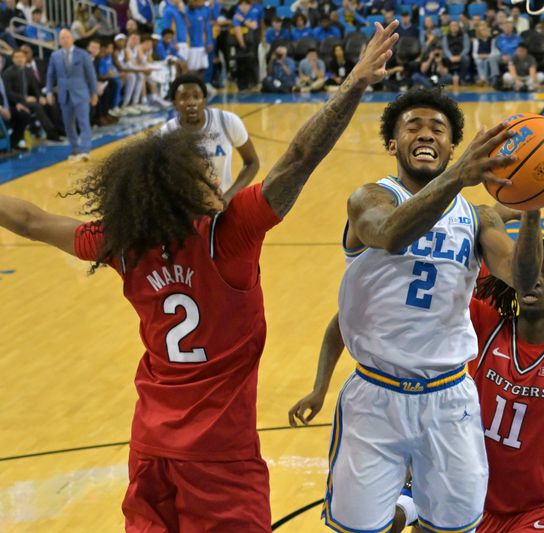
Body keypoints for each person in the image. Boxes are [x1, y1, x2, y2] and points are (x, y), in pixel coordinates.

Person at [0, 20, 399, 532]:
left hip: (150, 449)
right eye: (205, 174)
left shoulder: (123, 242)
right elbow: (300, 156)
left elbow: (32, 221)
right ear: (189, 186)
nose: (215, 177)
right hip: (219, 457)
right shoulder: (228, 236)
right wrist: (356, 82)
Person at [292, 221, 544, 533]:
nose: (535, 277)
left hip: (540, 512)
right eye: (530, 268)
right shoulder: (480, 322)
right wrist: (321, 385)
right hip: (464, 499)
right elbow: (375, 310)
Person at [308, 87, 525, 533]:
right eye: (413, 126)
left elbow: (522, 278)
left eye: (438, 129)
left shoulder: (479, 216)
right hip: (376, 396)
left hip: (449, 399)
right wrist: (458, 177)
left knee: (448, 528)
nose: (426, 134)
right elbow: (389, 233)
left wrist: (533, 208)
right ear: (393, 144)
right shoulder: (370, 198)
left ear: (451, 146)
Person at [161, 74, 257, 201]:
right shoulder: (166, 133)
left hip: (222, 205)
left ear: (205, 100)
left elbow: (252, 162)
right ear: (175, 104)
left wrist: (228, 196)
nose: (191, 102)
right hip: (185, 207)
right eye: (184, 98)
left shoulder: (227, 121)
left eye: (196, 96)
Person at [46, 29, 97, 162]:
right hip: (64, 94)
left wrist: (94, 93)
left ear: (72, 38)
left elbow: (91, 75)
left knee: (83, 122)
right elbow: (50, 75)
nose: (65, 40)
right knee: (68, 124)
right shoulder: (55, 56)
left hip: (81, 93)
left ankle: (85, 150)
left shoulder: (83, 54)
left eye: (67, 37)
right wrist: (49, 91)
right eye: (62, 38)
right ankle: (75, 149)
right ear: (59, 40)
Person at [2, 47, 61, 140]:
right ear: (13, 59)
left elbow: (35, 88)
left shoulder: (28, 71)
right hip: (16, 102)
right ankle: (52, 134)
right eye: (16, 57)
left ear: (25, 58)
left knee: (48, 103)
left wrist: (40, 97)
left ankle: (59, 129)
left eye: (21, 57)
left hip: (29, 99)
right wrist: (24, 99)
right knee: (36, 106)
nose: (19, 59)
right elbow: (9, 93)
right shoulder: (7, 73)